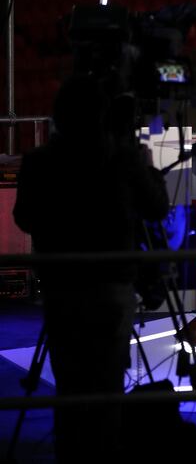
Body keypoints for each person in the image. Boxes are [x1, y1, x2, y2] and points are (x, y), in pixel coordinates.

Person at [13, 74, 170, 462]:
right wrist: (143, 163)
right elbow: (157, 208)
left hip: (61, 287)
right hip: (110, 289)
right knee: (107, 384)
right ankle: (105, 451)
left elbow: (24, 218)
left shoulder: (39, 161)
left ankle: (71, 453)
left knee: (70, 383)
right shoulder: (122, 158)